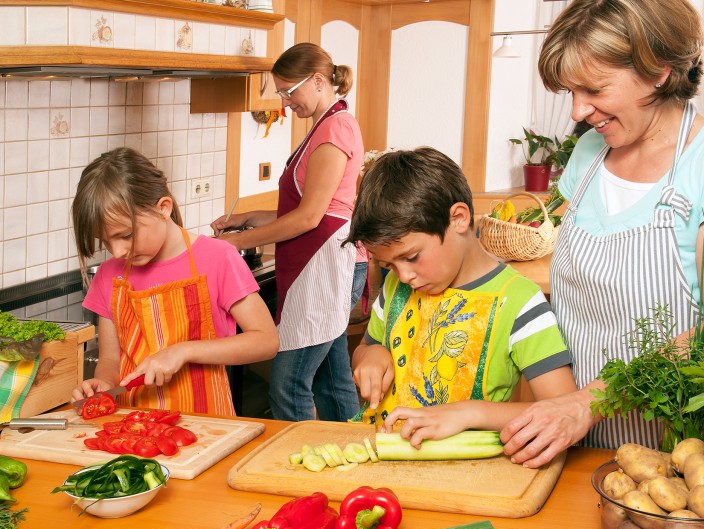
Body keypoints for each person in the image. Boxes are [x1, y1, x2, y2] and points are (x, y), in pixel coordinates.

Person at [500, 0, 704, 468]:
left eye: (593, 89)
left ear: (659, 71)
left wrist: (589, 403)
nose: (578, 110)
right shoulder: (589, 154)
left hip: (671, 461)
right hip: (568, 444)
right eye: (569, 91)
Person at [346, 147, 577, 443]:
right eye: (389, 264)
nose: (403, 276)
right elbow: (366, 349)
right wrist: (371, 356)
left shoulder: (519, 301)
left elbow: (561, 410)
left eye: (412, 257)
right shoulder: (395, 288)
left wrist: (471, 414)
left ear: (458, 218)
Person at [211, 43, 366, 422]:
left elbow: (310, 217)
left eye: (288, 91)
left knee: (288, 382)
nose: (284, 102)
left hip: (329, 267)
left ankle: (293, 466)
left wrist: (235, 244)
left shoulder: (334, 130)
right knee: (331, 382)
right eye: (279, 92)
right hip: (321, 264)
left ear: (316, 81)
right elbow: (304, 209)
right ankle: (351, 462)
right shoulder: (327, 124)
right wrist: (246, 218)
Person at [70, 147, 279, 416]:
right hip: (131, 429)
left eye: (126, 235)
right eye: (106, 241)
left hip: (207, 427)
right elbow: (110, 359)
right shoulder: (110, 275)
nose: (118, 251)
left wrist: (183, 352)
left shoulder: (217, 258)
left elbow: (266, 341)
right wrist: (103, 385)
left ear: (163, 208)